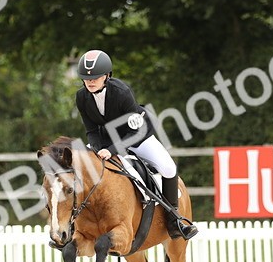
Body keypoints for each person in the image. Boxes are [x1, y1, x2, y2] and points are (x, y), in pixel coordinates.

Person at [73, 49, 194, 239]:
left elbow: (136, 131)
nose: (90, 81)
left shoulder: (122, 92)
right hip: (106, 141)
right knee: (81, 168)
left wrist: (112, 150)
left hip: (136, 136)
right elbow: (91, 130)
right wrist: (98, 151)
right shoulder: (82, 97)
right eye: (87, 78)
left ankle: (175, 220)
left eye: (96, 77)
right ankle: (75, 223)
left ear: (107, 75)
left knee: (169, 168)